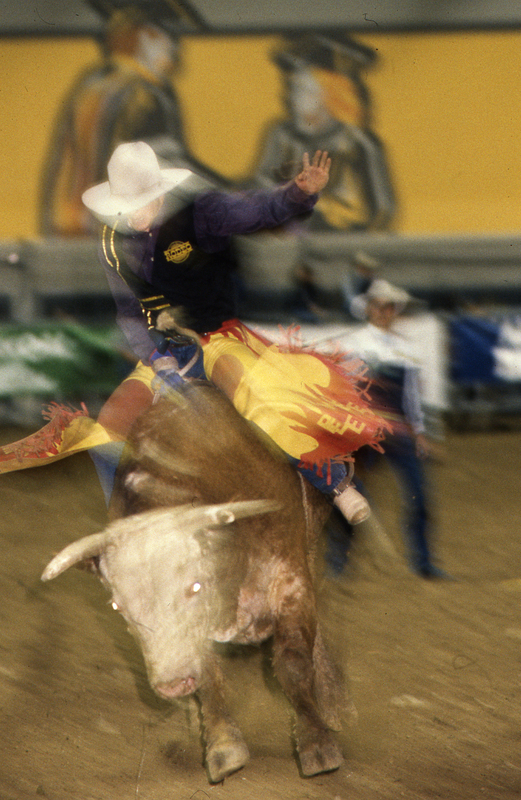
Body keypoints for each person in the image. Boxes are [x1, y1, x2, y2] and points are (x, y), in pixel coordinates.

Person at [39, 5, 219, 237]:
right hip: (115, 235)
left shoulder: (94, 85)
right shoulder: (144, 94)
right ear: (146, 37)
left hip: (66, 229)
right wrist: (225, 194)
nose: (176, 51)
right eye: (171, 38)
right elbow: (170, 166)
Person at [326, 279, 446, 578]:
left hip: (397, 432)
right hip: (362, 431)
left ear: (394, 311)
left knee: (418, 495)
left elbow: (411, 397)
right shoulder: (351, 343)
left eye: (388, 306)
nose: (382, 311)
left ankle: (423, 563)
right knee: (348, 493)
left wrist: (419, 431)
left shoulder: (405, 348)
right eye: (378, 305)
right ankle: (339, 560)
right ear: (369, 309)